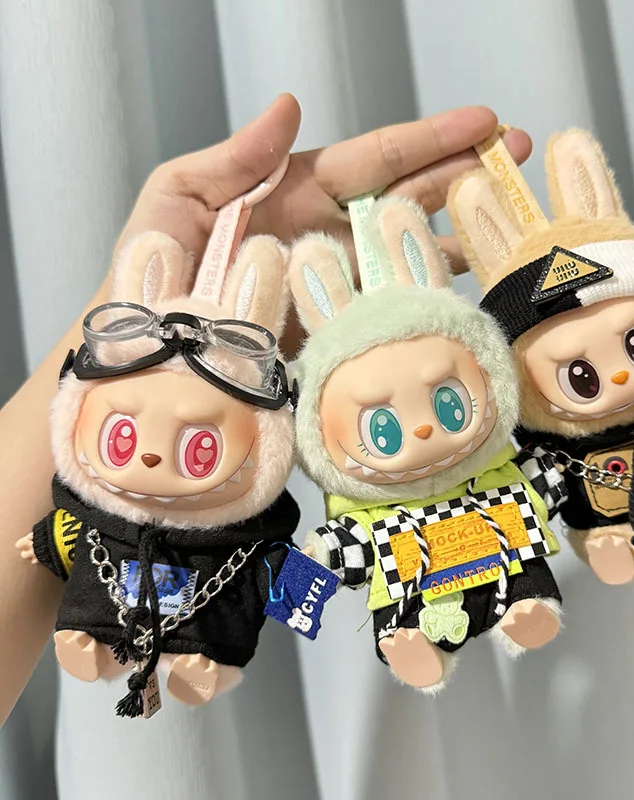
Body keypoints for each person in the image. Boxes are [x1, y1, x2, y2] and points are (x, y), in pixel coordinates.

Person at [0, 93, 532, 726]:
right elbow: (69, 529)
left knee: (517, 574)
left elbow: (294, 570)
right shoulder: (120, 529)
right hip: (139, 592)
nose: (151, 458)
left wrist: (315, 577)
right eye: (122, 438)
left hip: (470, 532)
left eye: (201, 447)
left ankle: (212, 657)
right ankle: (103, 639)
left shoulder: (251, 532)